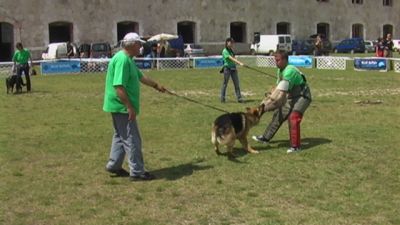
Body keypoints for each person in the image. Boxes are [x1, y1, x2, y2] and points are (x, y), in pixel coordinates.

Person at [103, 32, 167, 181]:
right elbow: (119, 86)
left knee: (120, 136)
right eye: (139, 44)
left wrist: (157, 86)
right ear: (131, 45)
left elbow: (141, 77)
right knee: (132, 139)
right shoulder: (123, 60)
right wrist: (129, 107)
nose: (141, 47)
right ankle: (137, 171)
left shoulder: (128, 60)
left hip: (118, 106)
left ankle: (114, 165)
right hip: (121, 106)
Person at [252, 50, 312, 153]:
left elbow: (279, 96)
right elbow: (276, 89)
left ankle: (295, 147)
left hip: (302, 96)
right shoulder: (280, 70)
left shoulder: (289, 71)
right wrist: (265, 102)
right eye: (275, 60)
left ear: (285, 60)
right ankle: (265, 138)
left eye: (278, 60)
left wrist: (264, 108)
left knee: (293, 117)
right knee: (278, 114)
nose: (276, 62)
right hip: (291, 96)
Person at [220, 37, 245, 103]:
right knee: (225, 84)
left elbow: (234, 58)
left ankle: (239, 98)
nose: (232, 44)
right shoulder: (225, 51)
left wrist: (236, 64)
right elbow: (231, 58)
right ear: (227, 42)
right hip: (227, 69)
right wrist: (239, 63)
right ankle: (222, 98)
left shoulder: (231, 50)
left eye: (232, 43)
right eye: (230, 42)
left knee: (237, 84)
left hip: (233, 68)